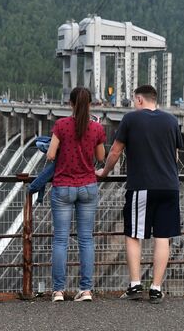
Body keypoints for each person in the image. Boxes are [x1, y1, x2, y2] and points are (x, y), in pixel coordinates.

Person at [96, 85, 182, 304]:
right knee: (163, 237)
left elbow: (115, 150)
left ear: (140, 99)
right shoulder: (172, 121)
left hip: (142, 186)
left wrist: (104, 172)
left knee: (134, 234)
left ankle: (135, 285)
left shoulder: (131, 120)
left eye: (135, 100)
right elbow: (175, 155)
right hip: (170, 187)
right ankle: (156, 288)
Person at [47, 87, 106, 302]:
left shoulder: (61, 125)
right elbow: (101, 157)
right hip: (88, 186)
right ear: (90, 104)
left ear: (70, 104)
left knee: (61, 240)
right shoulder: (96, 128)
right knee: (86, 240)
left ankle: (59, 291)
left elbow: (51, 155)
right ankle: (86, 289)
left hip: (63, 186)